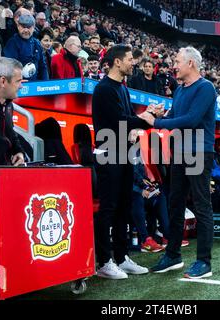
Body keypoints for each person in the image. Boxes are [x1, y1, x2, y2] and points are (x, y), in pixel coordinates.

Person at [139, 46, 217, 279]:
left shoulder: (206, 88)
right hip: (180, 154)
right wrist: (160, 114)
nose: (174, 65)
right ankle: (173, 255)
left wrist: (156, 124)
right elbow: (175, 115)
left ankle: (204, 262)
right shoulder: (180, 89)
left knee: (202, 206)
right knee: (175, 204)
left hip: (199, 153)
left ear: (191, 63)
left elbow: (192, 120)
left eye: (177, 61)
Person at [91, 45, 152, 280]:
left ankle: (121, 257)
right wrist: (144, 120)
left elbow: (126, 123)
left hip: (125, 154)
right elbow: (119, 121)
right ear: (117, 62)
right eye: (129, 59)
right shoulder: (104, 89)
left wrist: (142, 120)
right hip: (109, 155)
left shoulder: (123, 88)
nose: (133, 62)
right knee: (109, 207)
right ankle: (104, 261)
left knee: (124, 206)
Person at [3, 14, 49, 81]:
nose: (26, 30)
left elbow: (43, 66)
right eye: (23, 27)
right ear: (18, 26)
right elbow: (8, 67)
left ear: (34, 27)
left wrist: (45, 83)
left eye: (29, 27)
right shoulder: (12, 43)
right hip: (19, 84)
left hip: (35, 84)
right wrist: (16, 80)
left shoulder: (37, 43)